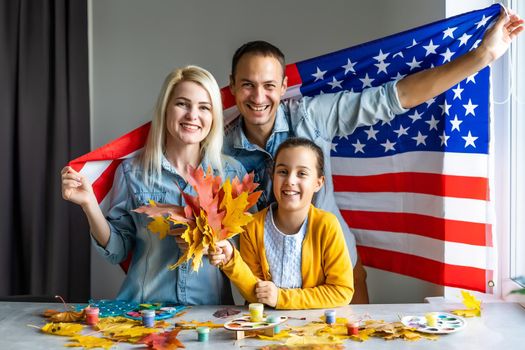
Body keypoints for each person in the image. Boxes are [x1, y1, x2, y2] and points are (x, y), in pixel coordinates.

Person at [222, 8, 524, 304]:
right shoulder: (219, 148)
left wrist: (483, 56)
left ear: (284, 87)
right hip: (265, 286)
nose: (258, 97)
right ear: (233, 85)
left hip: (335, 274)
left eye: (269, 86)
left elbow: (394, 98)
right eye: (248, 85)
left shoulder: (311, 116)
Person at [61, 65, 247, 304]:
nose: (192, 115)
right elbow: (117, 251)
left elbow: (245, 254)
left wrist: (214, 245)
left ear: (213, 117)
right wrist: (89, 205)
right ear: (165, 109)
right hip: (144, 312)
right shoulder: (132, 172)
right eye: (182, 104)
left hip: (209, 314)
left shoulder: (232, 175)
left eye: (204, 107)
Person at [210, 137, 353, 309]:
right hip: (264, 326)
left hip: (313, 327)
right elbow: (253, 294)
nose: (290, 181)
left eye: (302, 173)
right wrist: (232, 260)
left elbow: (341, 291)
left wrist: (280, 298)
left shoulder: (326, 225)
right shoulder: (253, 226)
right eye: (283, 171)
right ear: (272, 175)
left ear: (318, 183)